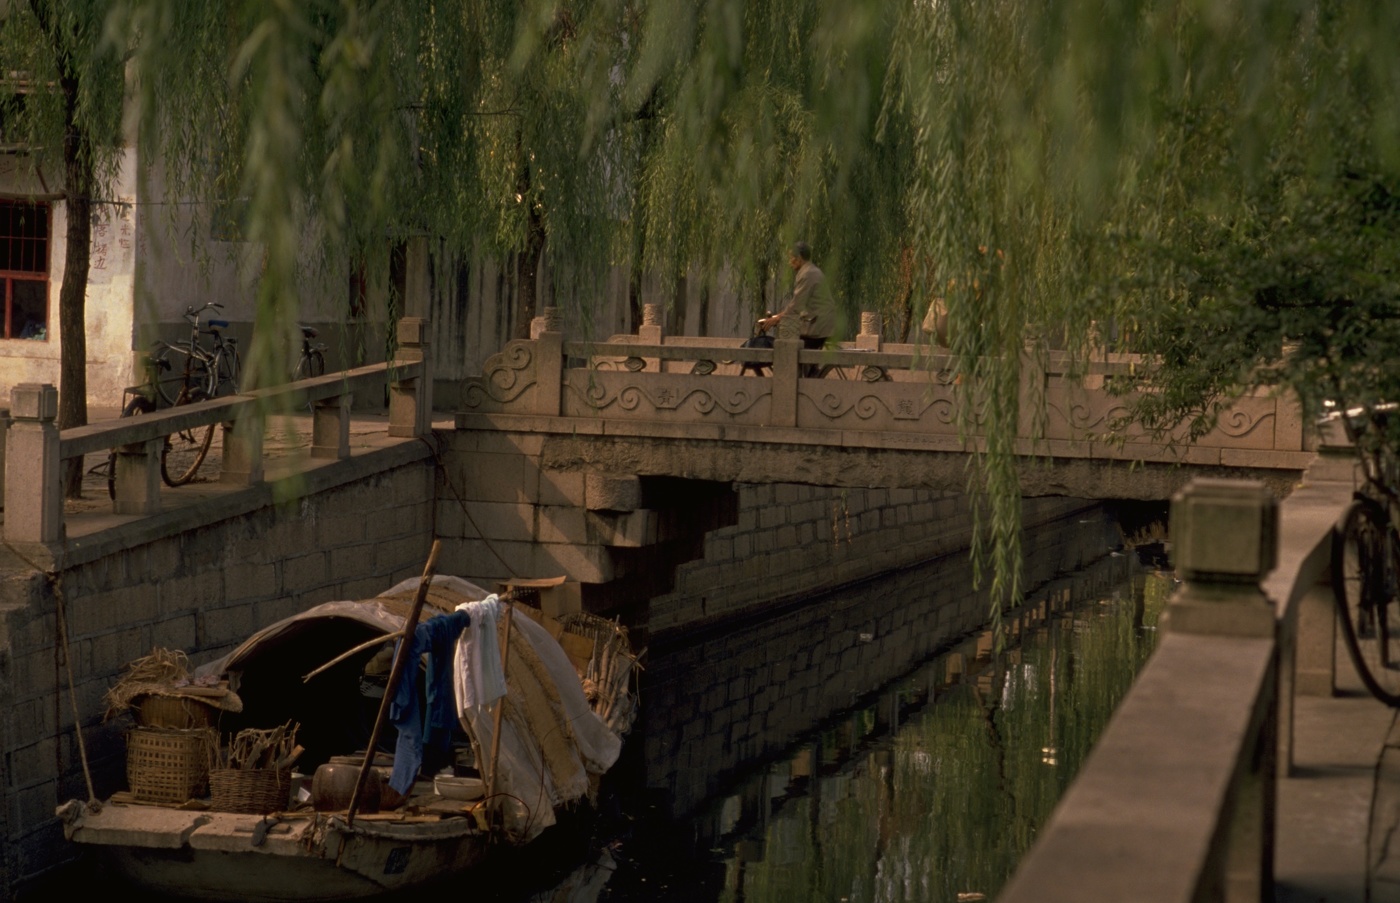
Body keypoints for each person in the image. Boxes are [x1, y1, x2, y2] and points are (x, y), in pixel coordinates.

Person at [758, 241, 838, 352]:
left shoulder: (807, 274)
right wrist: (778, 317)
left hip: (818, 327)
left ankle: (802, 369)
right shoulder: (811, 270)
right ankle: (809, 369)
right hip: (819, 323)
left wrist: (777, 319)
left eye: (791, 258)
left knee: (791, 350)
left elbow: (796, 305)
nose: (789, 262)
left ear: (799, 258)